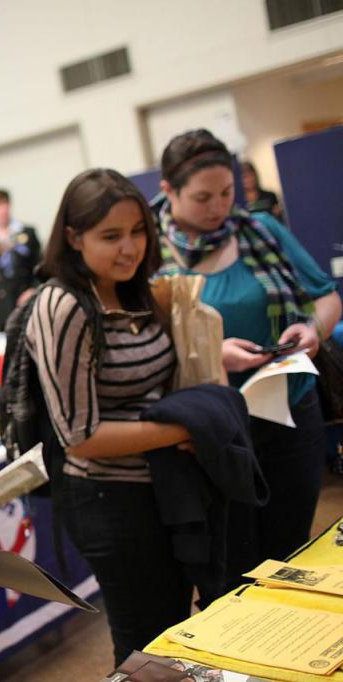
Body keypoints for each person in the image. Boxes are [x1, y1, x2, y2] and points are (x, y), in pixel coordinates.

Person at [153, 129, 342, 588]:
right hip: (213, 430)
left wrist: (311, 331)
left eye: (226, 192)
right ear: (168, 191)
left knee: (287, 552)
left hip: (289, 412)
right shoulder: (146, 253)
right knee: (231, 563)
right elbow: (141, 344)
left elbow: (325, 297)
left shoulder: (259, 229)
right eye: (202, 198)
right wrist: (209, 352)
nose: (218, 207)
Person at [26, 168, 196, 664]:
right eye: (111, 236)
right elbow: (79, 435)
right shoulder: (64, 305)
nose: (130, 248)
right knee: (145, 646)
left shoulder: (132, 287)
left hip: (159, 485)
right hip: (106, 497)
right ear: (74, 238)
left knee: (175, 631)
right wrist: (182, 430)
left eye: (138, 231)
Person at [0, 189, 41, 328]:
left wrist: (33, 289)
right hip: (1, 304)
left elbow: (41, 265)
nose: (1, 210)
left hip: (26, 299)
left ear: (9, 205)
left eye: (4, 204)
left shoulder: (27, 233)